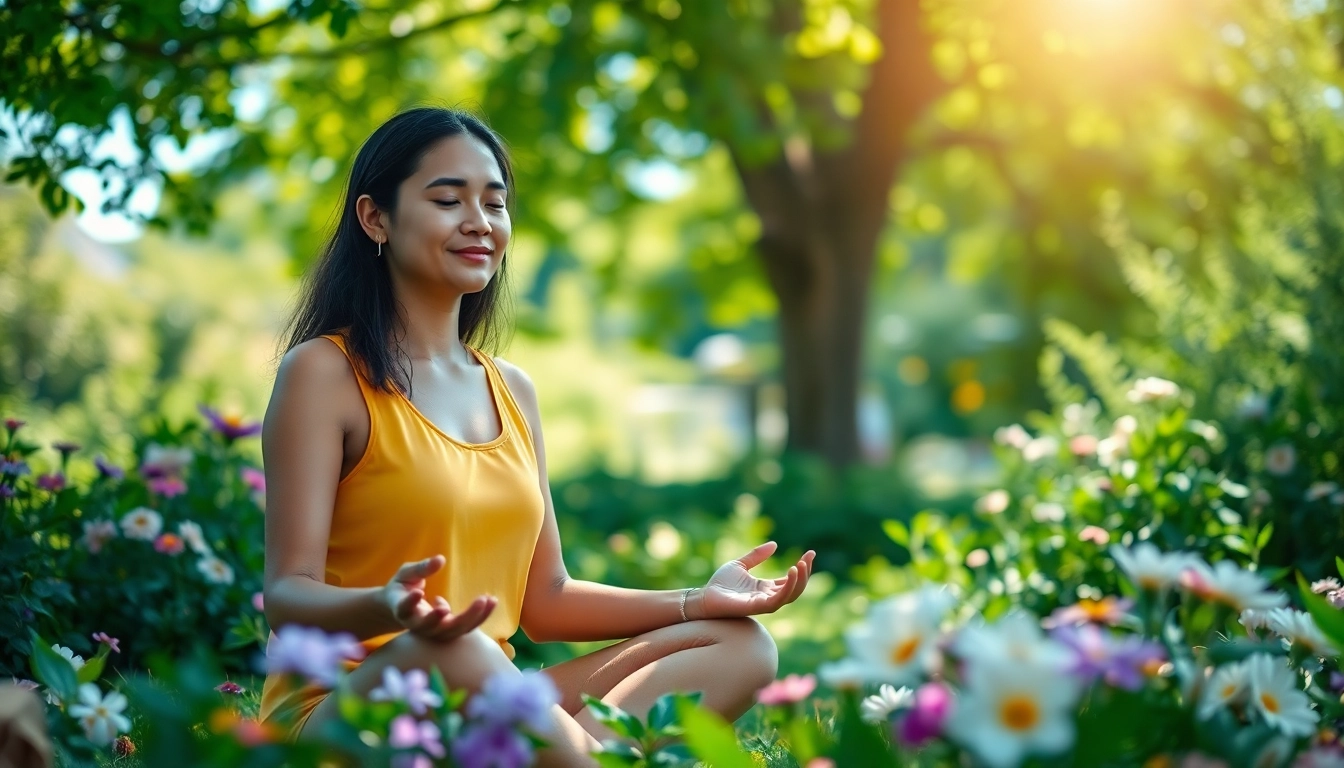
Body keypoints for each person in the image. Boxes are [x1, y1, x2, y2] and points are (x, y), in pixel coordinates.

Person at [258, 107, 815, 766]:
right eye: (447, 199)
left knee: (742, 645)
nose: (479, 222)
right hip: (354, 709)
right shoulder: (325, 373)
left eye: (494, 203)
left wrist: (697, 600)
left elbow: (544, 602)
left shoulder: (511, 389)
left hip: (490, 699)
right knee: (455, 648)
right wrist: (388, 608)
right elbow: (287, 595)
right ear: (375, 218)